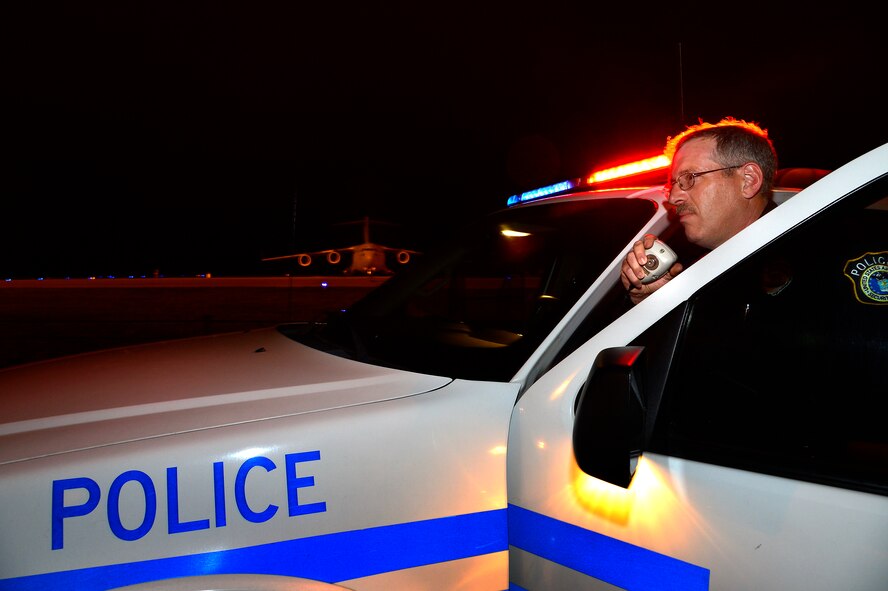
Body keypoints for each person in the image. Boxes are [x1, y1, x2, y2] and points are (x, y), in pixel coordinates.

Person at [621, 117, 778, 305]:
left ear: (748, 180)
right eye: (672, 185)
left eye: (689, 178)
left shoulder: (808, 263)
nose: (672, 198)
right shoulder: (705, 270)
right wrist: (653, 303)